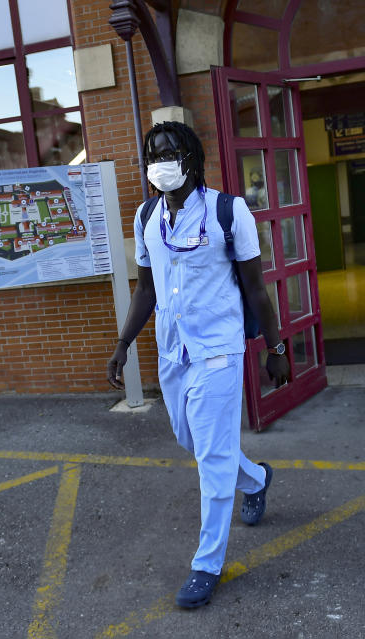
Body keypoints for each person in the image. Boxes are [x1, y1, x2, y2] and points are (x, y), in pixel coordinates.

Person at [107, 121, 289, 608]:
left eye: (169, 152)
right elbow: (146, 288)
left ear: (190, 157)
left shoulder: (230, 212)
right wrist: (124, 343)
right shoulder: (146, 215)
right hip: (174, 351)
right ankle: (255, 478)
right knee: (190, 438)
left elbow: (255, 288)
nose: (161, 162)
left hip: (219, 351)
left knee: (210, 458)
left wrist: (276, 349)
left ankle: (207, 564)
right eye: (153, 154)